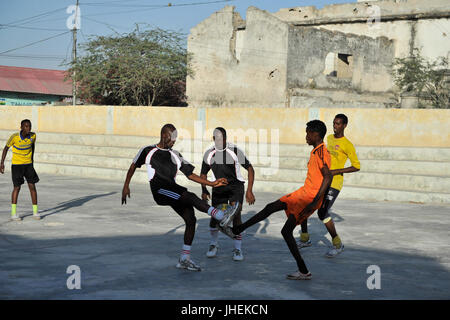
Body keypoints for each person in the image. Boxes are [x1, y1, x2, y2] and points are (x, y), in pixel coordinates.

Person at [121, 124, 239, 272]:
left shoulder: (175, 155)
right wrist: (126, 186)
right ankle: (220, 215)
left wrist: (212, 183)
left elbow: (190, 175)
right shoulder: (148, 151)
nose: (174, 142)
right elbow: (133, 166)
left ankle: (184, 259)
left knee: (191, 219)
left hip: (172, 189)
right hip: (160, 190)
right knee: (188, 196)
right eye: (172, 139)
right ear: (165, 136)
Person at [227, 120, 332, 280]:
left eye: (307, 133)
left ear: (315, 134)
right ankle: (238, 230)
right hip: (302, 194)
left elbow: (327, 176)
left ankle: (303, 271)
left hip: (308, 198)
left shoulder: (321, 152)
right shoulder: (316, 151)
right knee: (271, 206)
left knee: (286, 231)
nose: (306, 137)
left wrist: (316, 200)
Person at [297, 114, 360, 258]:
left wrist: (337, 171)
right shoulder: (329, 138)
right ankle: (305, 238)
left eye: (338, 124)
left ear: (344, 125)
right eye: (334, 123)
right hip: (321, 180)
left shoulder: (347, 144)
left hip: (335, 183)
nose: (335, 126)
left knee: (322, 212)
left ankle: (338, 244)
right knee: (305, 204)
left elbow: (357, 166)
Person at [200, 127, 255, 261]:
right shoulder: (209, 154)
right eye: (217, 139)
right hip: (218, 187)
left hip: (236, 186)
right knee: (215, 218)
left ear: (226, 138)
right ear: (213, 139)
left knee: (236, 215)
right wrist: (204, 189)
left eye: (223, 138)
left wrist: (249, 190)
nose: (220, 141)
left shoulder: (234, 151)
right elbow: (203, 174)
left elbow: (250, 168)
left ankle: (237, 248)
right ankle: (213, 244)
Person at [0, 119, 40, 221]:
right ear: (21, 127)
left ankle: (35, 212)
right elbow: (5, 148)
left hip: (28, 165)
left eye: (29, 126)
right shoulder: (15, 137)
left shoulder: (33, 136)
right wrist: (2, 163)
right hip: (17, 165)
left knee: (32, 186)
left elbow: (32, 146)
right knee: (17, 188)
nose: (28, 128)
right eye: (26, 126)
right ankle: (14, 213)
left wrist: (32, 159)